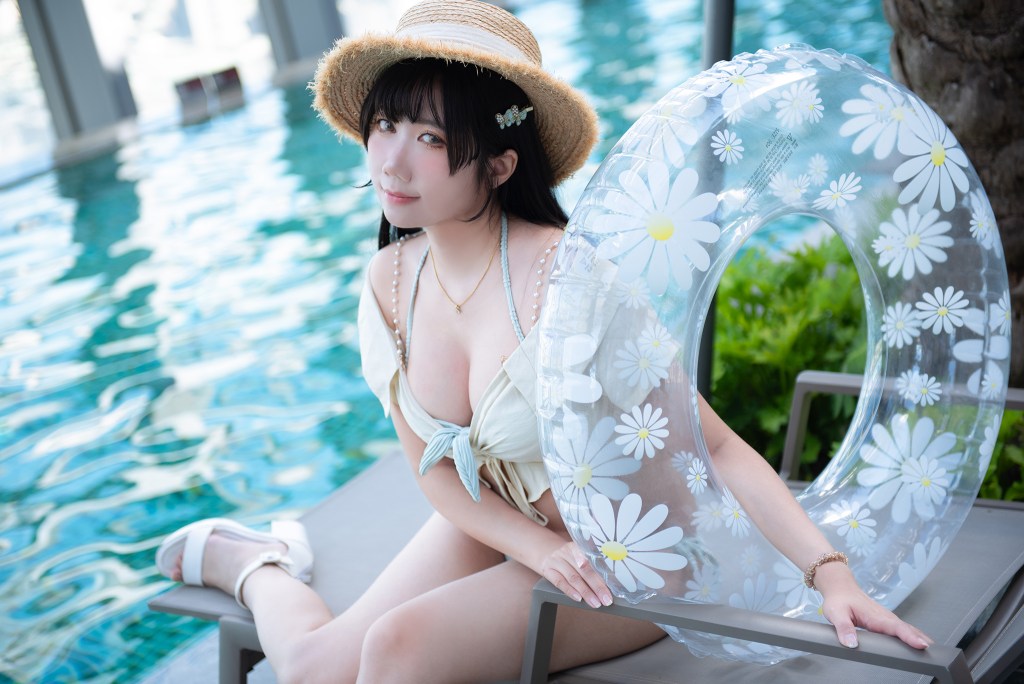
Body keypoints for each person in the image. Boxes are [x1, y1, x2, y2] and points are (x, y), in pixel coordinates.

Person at [155, 1, 933, 682]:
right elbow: (432, 471)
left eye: (430, 137)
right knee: (316, 670)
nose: (390, 158)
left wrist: (829, 572)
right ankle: (256, 564)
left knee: (398, 649)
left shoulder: (566, 282)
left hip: (638, 559)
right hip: (509, 523)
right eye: (386, 124)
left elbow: (717, 449)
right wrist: (527, 544)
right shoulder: (390, 281)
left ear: (498, 163)